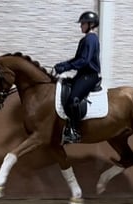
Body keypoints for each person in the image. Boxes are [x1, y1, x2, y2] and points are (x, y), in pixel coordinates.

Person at [54, 11, 101, 144]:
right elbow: (77, 59)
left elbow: (84, 61)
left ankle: (75, 131)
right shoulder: (86, 39)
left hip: (89, 76)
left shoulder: (90, 39)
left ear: (91, 24)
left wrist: (65, 68)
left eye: (83, 24)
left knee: (72, 100)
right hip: (83, 75)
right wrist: (62, 65)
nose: (81, 26)